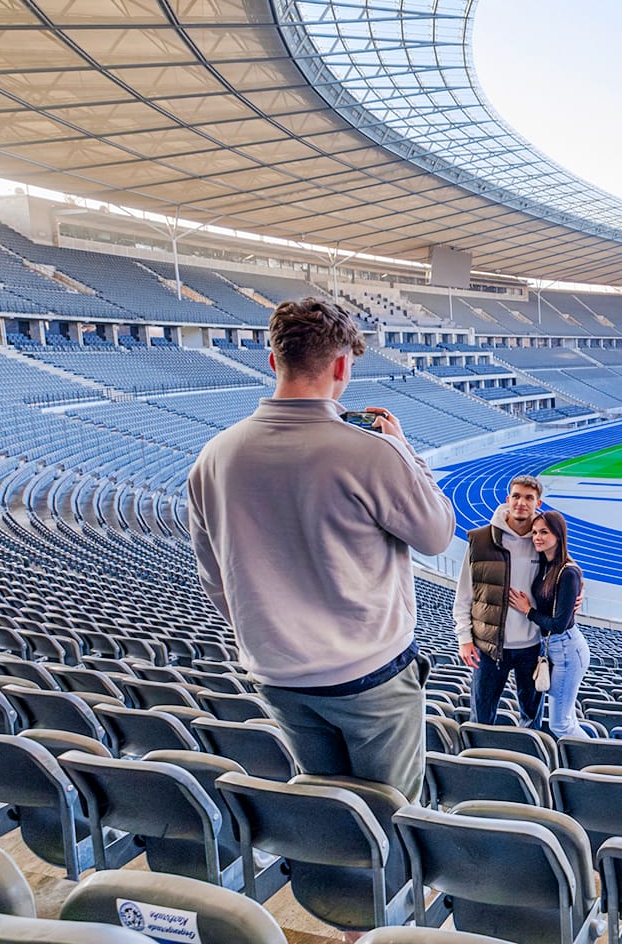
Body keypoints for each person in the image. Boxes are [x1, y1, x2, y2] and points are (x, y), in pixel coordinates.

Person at [187, 298, 454, 804]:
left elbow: (216, 578)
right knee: (392, 814)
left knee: (328, 807)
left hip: (277, 675)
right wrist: (405, 452)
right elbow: (436, 534)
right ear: (341, 366)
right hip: (369, 674)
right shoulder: (371, 453)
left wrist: (273, 639)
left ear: (274, 361)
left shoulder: (214, 457)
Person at [453, 474, 550, 725]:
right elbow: (464, 593)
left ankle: (530, 750)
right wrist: (464, 638)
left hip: (531, 647)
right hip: (489, 647)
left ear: (538, 503)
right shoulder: (481, 540)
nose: (521, 503)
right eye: (516, 496)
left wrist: (577, 590)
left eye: (529, 498)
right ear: (508, 499)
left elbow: (563, 574)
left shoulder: (543, 541)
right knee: (481, 718)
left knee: (532, 720)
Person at [508, 510, 589, 739]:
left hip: (566, 649)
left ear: (558, 535)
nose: (537, 538)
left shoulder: (567, 572)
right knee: (567, 719)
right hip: (553, 648)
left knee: (560, 725)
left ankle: (600, 753)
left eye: (544, 532)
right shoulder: (545, 564)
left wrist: (527, 611)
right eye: (534, 533)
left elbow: (559, 624)